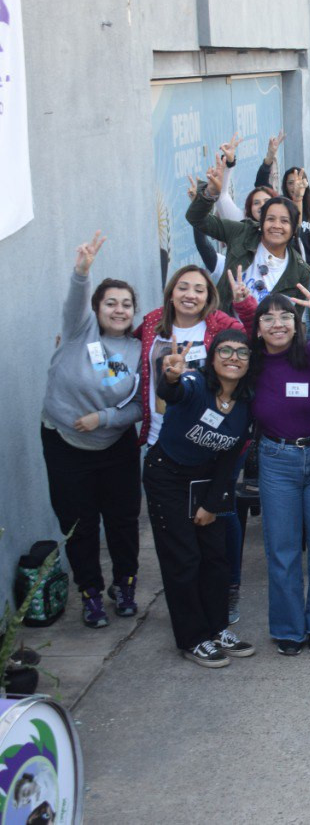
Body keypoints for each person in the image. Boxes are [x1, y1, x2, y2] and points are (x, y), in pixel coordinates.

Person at [41, 233, 143, 627]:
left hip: (114, 444)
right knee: (79, 524)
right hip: (64, 443)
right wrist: (82, 272)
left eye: (126, 304)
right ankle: (90, 593)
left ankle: (125, 584)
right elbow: (74, 301)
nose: (119, 310)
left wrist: (104, 419)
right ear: (97, 307)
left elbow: (140, 406)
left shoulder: (138, 350)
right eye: (111, 303)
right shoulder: (77, 332)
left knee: (122, 521)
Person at [144, 329, 256, 668]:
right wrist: (170, 377)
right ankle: (193, 638)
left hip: (208, 480)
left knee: (215, 557)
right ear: (212, 357)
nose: (233, 357)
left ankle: (217, 629)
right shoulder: (194, 383)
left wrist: (211, 502)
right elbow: (174, 392)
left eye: (242, 352)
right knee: (184, 558)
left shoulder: (246, 403)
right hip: (167, 476)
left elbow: (230, 458)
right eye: (225, 350)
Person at [249, 289, 310, 656]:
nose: (277, 324)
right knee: (282, 549)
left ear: (296, 323)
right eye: (268, 318)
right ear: (258, 328)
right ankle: (288, 629)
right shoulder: (252, 363)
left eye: (285, 316)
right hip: (277, 460)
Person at [186, 164, 310, 314]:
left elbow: (294, 320)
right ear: (261, 222)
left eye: (284, 221)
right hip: (224, 325)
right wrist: (209, 193)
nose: (276, 226)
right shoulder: (242, 232)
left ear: (293, 228)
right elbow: (197, 219)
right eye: (270, 219)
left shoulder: (300, 271)